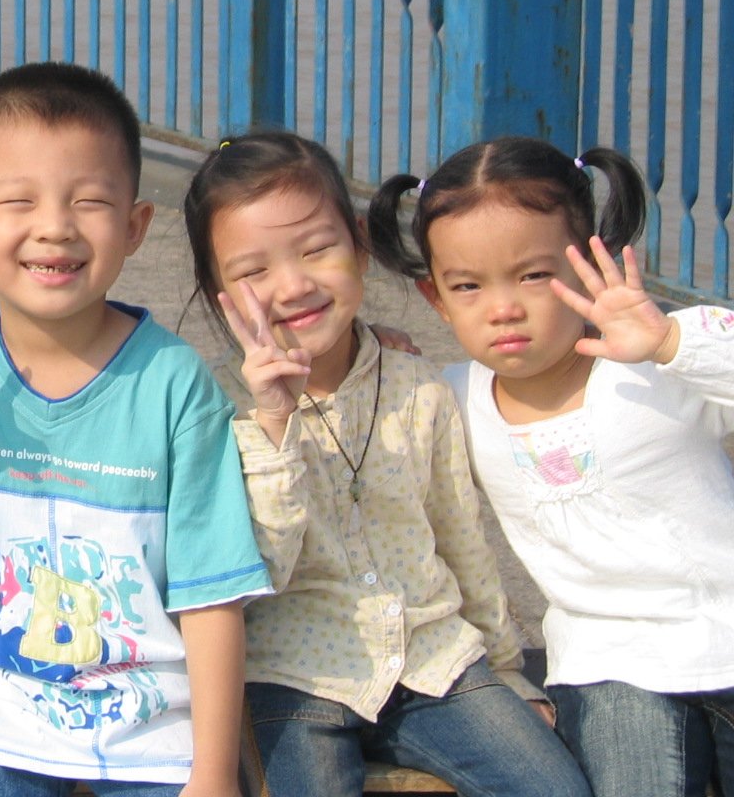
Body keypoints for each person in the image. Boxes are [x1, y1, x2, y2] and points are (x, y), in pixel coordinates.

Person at [0, 61, 269, 797]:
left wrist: (214, 772)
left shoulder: (175, 384)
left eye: (89, 200)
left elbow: (212, 595)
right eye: (19, 200)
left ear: (135, 226)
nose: (55, 227)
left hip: (152, 729)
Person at [182, 130, 590, 797]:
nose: (294, 285)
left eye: (317, 249)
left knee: (555, 788)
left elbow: (460, 537)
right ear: (215, 288)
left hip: (432, 658)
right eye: (253, 271)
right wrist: (274, 423)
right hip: (290, 674)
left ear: (360, 245)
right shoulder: (213, 406)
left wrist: (506, 668)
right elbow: (255, 572)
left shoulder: (416, 386)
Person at [369, 135, 734, 797]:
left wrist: (671, 342)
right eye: (467, 286)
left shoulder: (657, 355)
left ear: (593, 261)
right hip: (610, 664)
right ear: (436, 299)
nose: (503, 308)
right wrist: (366, 347)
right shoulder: (453, 399)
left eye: (534, 275)